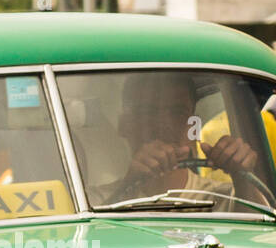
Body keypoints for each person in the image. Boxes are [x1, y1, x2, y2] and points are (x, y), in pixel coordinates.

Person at [104, 71, 261, 203]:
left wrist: (243, 181)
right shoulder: (94, 200)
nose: (163, 124)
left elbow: (261, 232)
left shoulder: (225, 197)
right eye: (148, 112)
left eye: (177, 112)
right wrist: (129, 187)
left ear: (193, 126)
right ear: (125, 124)